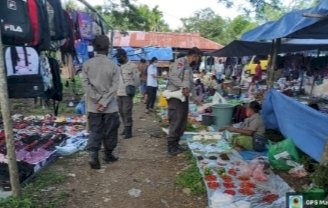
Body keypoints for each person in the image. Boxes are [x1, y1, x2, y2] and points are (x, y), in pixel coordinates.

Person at [82, 35, 120, 169]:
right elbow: (114, 87)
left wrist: (96, 99)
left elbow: (85, 85)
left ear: (95, 48)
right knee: (111, 131)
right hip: (109, 106)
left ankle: (93, 156)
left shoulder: (87, 65)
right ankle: (108, 154)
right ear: (108, 48)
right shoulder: (114, 66)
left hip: (93, 106)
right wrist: (104, 101)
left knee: (95, 130)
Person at [166, 47, 202, 156]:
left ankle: (176, 144)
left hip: (183, 98)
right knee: (176, 120)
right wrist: (183, 86)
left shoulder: (189, 68)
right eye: (197, 58)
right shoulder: (181, 62)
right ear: (193, 56)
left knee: (182, 121)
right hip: (176, 96)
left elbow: (190, 84)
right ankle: (171, 146)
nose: (197, 61)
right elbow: (172, 76)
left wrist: (195, 98)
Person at [116, 48, 140, 139]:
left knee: (127, 112)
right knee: (121, 111)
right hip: (119, 92)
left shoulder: (132, 66)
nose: (118, 59)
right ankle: (125, 128)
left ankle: (129, 130)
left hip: (127, 93)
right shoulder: (118, 67)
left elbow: (137, 80)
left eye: (119, 57)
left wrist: (132, 89)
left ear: (124, 56)